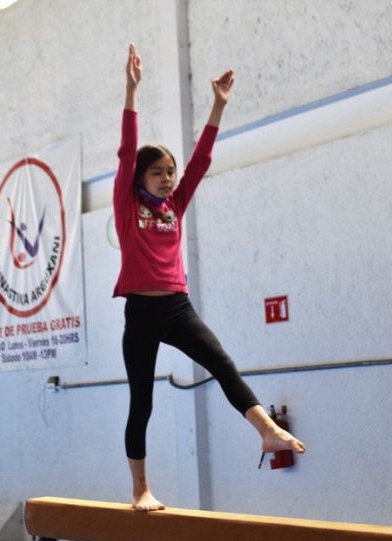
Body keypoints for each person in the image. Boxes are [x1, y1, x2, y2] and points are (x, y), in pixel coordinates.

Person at [114, 43, 305, 511]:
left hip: (176, 306)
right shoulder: (127, 205)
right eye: (157, 172)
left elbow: (200, 162)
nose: (167, 178)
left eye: (170, 172)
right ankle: (140, 488)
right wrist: (131, 91)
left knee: (221, 363)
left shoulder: (174, 207)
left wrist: (218, 106)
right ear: (140, 177)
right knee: (142, 402)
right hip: (141, 310)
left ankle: (266, 429)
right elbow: (124, 152)